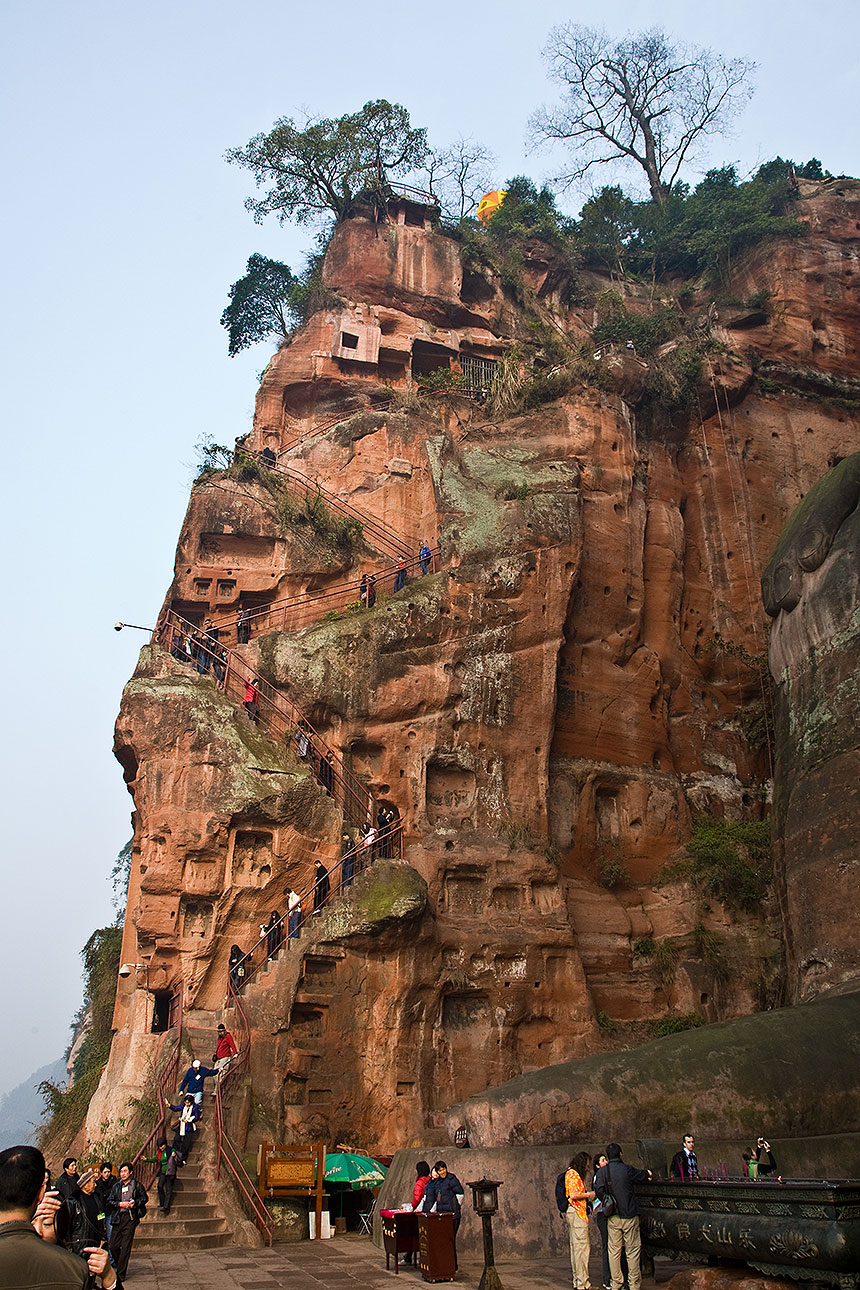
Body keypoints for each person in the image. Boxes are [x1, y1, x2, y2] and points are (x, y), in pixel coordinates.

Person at [0, 1144, 118, 1289]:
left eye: (47, 1223)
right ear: (40, 1193)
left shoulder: (75, 1268)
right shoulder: (76, 1270)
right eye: (32, 1222)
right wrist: (110, 1278)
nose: (38, 1231)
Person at [593, 1144, 651, 1290]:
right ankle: (633, 1284)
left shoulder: (602, 1173)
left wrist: (607, 1200)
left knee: (614, 1251)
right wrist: (648, 1173)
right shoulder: (627, 1169)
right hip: (629, 1215)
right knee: (632, 1251)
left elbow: (598, 1190)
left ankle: (616, 1282)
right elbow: (642, 1176)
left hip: (613, 1216)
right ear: (620, 1154)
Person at [107, 1162, 147, 1281]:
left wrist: (135, 1203)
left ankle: (121, 1274)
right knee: (113, 1245)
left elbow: (144, 1198)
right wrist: (120, 1204)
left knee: (125, 1246)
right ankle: (121, 1264)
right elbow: (110, 1200)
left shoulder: (136, 1185)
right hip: (118, 1217)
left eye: (125, 1171)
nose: (123, 1174)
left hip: (130, 1218)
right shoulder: (116, 1186)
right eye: (121, 1172)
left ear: (130, 1172)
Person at [591, 1152, 626, 1290]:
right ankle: (607, 1279)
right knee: (607, 1246)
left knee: (616, 1247)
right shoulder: (599, 1178)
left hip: (612, 1214)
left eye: (606, 1159)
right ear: (597, 1165)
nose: (606, 1162)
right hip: (604, 1214)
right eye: (603, 1160)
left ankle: (616, 1277)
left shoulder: (610, 1175)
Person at [562, 1151, 594, 1290]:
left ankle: (579, 1281)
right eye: (587, 1164)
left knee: (577, 1249)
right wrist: (589, 1194)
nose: (588, 1167)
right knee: (581, 1249)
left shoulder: (570, 1173)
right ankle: (583, 1283)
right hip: (577, 1213)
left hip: (575, 1213)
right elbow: (574, 1195)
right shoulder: (573, 1174)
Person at [422, 1161, 464, 1267]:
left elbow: (460, 1193)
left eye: (443, 1169)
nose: (442, 1171)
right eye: (440, 1170)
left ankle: (453, 1265)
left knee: (451, 1239)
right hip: (442, 1214)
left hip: (452, 1215)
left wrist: (455, 1205)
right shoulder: (437, 1183)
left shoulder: (451, 1179)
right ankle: (446, 1264)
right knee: (444, 1240)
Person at [65, 1169, 107, 1256]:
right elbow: (68, 1224)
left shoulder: (96, 1198)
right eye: (93, 1182)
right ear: (85, 1185)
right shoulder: (74, 1201)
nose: (95, 1185)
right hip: (80, 1242)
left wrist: (103, 1236)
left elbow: (101, 1216)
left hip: (95, 1241)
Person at [403, 1160, 431, 1264]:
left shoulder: (420, 1182)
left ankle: (408, 1256)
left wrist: (411, 1207)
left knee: (413, 1233)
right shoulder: (431, 1180)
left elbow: (417, 1198)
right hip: (429, 1210)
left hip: (419, 1211)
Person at [168, 1096, 200, 1162]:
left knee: (186, 1143)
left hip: (189, 1127)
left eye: (188, 1103)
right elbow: (177, 1108)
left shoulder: (195, 1107)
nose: (186, 1104)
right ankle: (174, 1153)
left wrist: (191, 1119)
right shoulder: (183, 1105)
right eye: (185, 1102)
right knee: (176, 1139)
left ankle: (183, 1158)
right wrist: (169, 1105)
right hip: (182, 1125)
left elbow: (197, 1117)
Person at [94, 1162, 115, 1258]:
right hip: (101, 1212)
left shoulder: (114, 1181)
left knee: (111, 1235)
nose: (107, 1174)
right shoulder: (98, 1184)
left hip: (110, 1211)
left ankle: (111, 1258)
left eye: (108, 1172)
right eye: (105, 1172)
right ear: (101, 1173)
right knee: (100, 1234)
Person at [157, 1148, 182, 1216]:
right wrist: (146, 1159)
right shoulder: (160, 1153)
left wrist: (173, 1154)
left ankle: (166, 1207)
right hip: (163, 1172)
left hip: (170, 1173)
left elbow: (174, 1151)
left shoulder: (169, 1150)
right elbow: (155, 1158)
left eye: (162, 1146)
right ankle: (162, 1202)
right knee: (160, 1186)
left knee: (169, 1189)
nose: (161, 1148)